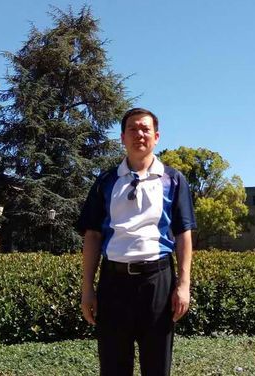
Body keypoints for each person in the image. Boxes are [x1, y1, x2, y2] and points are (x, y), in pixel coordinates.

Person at [77, 107, 196, 376]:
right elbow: (93, 235)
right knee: (113, 366)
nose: (139, 134)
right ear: (122, 137)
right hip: (113, 282)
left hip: (157, 281)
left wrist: (184, 285)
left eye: (145, 129)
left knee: (156, 366)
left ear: (156, 136)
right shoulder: (106, 181)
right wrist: (87, 288)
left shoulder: (174, 180)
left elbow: (183, 233)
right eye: (132, 129)